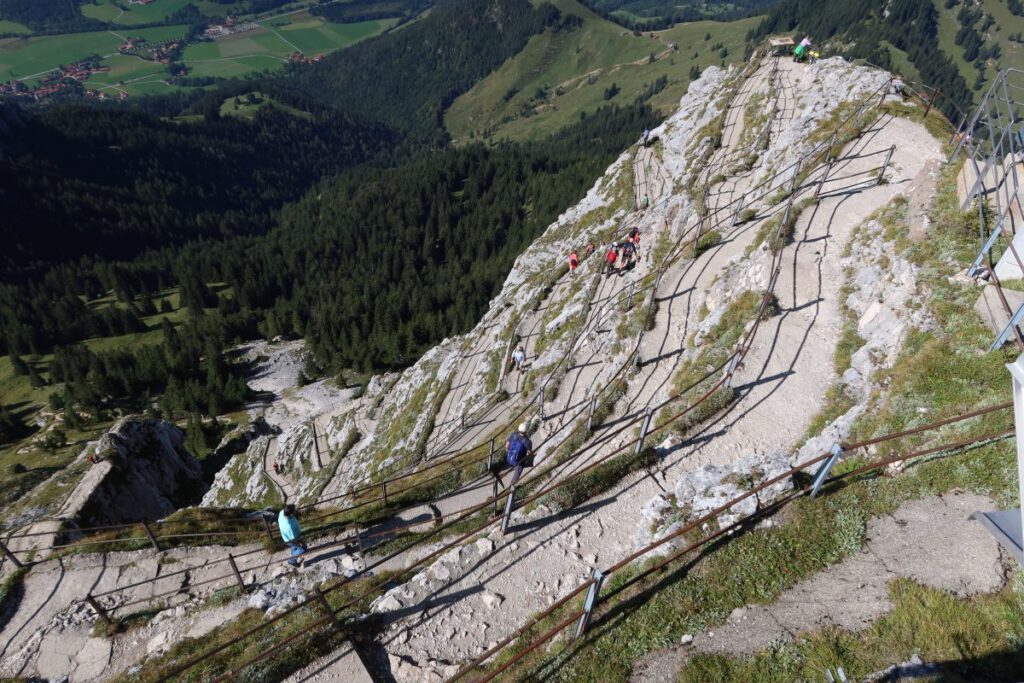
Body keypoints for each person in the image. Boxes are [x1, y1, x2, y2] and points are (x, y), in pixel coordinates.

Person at [504, 423, 535, 487]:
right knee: (520, 468)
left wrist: (512, 452)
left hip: (509, 458)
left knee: (515, 461)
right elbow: (529, 453)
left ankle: (512, 463)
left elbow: (507, 446)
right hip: (519, 461)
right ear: (526, 431)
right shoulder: (527, 441)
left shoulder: (513, 435)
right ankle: (512, 485)